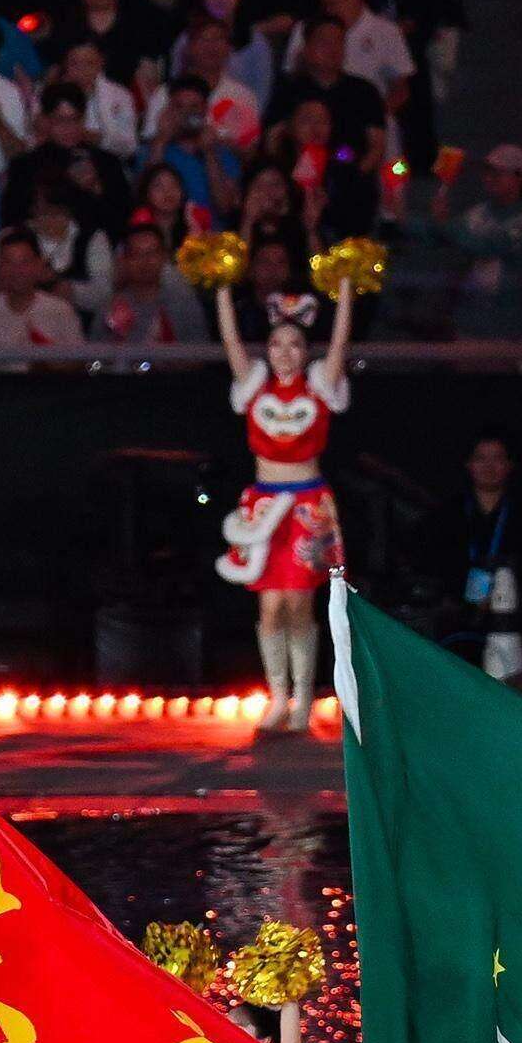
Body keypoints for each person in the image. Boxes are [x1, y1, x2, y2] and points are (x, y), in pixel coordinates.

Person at [215, 283, 354, 731]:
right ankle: (277, 696)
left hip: (307, 505)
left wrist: (347, 285)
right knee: (270, 606)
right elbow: (231, 341)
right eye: (277, 344)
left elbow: (340, 342)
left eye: (295, 344)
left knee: (298, 603)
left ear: (306, 351)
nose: (285, 353)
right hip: (264, 506)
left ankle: (303, 698)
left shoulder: (319, 387)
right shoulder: (254, 386)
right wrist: (221, 284)